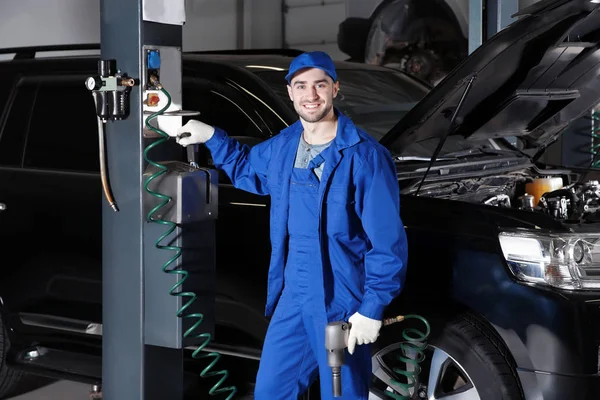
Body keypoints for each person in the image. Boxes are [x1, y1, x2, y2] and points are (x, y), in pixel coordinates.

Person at [171, 51, 408, 399]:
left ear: (335, 89)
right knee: (271, 391)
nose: (310, 95)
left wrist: (371, 308)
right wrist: (212, 137)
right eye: (301, 86)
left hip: (340, 294)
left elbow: (387, 242)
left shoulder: (365, 156)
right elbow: (247, 171)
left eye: (319, 85)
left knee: (341, 394)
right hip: (292, 293)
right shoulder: (283, 146)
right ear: (291, 92)